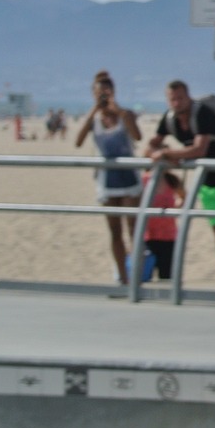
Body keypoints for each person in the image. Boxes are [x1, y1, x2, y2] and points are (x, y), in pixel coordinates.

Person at [146, 81, 215, 292]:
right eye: (172, 99)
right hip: (207, 182)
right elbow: (151, 146)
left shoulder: (202, 113)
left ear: (188, 96)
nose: (177, 103)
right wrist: (161, 153)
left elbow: (199, 150)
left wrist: (167, 154)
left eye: (180, 98)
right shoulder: (170, 118)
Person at [74, 71, 142, 285]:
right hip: (107, 180)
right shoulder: (94, 119)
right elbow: (78, 141)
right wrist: (95, 109)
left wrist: (119, 111)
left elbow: (137, 136)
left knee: (134, 228)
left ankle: (137, 274)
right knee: (115, 231)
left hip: (129, 177)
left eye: (106, 91)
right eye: (99, 92)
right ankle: (122, 277)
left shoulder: (125, 114)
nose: (103, 95)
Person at [144, 171, 184, 281]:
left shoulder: (171, 179)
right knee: (145, 276)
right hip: (148, 236)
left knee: (167, 276)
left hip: (169, 236)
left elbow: (183, 195)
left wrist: (176, 206)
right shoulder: (144, 179)